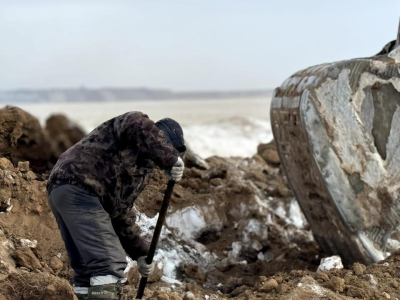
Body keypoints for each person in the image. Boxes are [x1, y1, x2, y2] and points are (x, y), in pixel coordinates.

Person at [47, 112, 186, 300]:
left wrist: (140, 254)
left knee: (87, 269)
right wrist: (170, 159)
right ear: (159, 138)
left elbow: (119, 214)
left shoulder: (140, 171)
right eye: (168, 149)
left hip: (65, 191)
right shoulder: (133, 130)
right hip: (81, 187)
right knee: (107, 263)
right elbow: (137, 123)